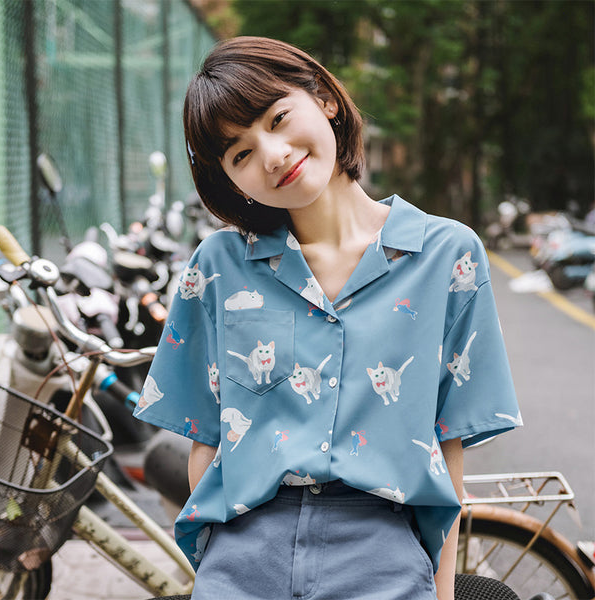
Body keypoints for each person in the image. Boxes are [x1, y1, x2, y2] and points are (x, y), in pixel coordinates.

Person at [134, 36, 520, 600]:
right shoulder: (217, 266)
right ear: (229, 179)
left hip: (382, 549)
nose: (271, 154)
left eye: (278, 117)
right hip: (244, 554)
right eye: (239, 153)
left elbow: (447, 443)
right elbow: (207, 439)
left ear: (326, 100)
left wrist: (440, 590)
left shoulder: (447, 255)